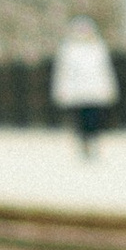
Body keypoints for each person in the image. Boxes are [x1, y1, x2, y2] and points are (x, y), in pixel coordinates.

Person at [50, 12, 119, 156]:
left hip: (94, 93)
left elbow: (105, 71)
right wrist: (61, 91)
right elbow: (63, 73)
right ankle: (83, 143)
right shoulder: (68, 49)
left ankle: (93, 142)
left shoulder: (98, 48)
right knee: (80, 121)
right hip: (77, 94)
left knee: (94, 120)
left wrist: (109, 89)